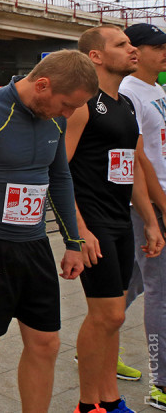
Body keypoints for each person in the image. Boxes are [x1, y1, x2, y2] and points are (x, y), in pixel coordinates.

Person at [0, 50, 94, 413]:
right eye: (66, 104)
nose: (68, 114)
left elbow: (60, 178)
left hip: (34, 245)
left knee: (46, 344)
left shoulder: (55, 119)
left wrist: (73, 242)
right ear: (42, 85)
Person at [69, 25, 164, 413]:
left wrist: (150, 221)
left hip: (121, 220)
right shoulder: (82, 104)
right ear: (95, 56)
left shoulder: (125, 104)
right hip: (94, 223)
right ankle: (87, 403)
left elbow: (134, 166)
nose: (132, 49)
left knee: (114, 316)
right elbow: (57, 170)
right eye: (122, 44)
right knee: (105, 315)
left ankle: (110, 400)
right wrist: (77, 230)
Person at [119, 22, 166, 410]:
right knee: (159, 290)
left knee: (133, 282)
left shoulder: (156, 89)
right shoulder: (128, 92)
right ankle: (160, 382)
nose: (164, 51)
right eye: (157, 46)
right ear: (135, 50)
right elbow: (135, 158)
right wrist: (158, 208)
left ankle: (97, 341)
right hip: (148, 204)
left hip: (159, 200)